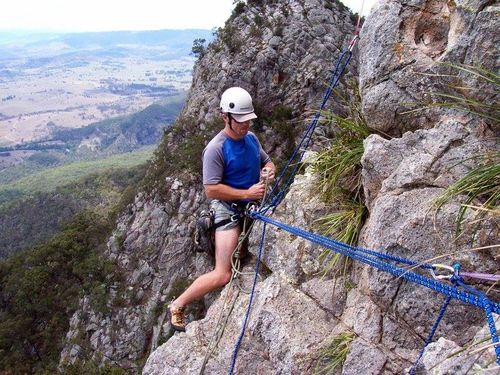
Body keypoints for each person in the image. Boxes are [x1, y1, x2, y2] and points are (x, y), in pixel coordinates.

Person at [169, 87, 276, 332]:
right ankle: (177, 304)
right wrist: (246, 194)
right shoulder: (215, 149)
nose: (245, 124)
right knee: (223, 274)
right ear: (225, 117)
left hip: (252, 205)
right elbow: (211, 190)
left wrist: (270, 169)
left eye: (248, 119)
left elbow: (267, 161)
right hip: (228, 210)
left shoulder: (251, 139)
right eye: (240, 120)